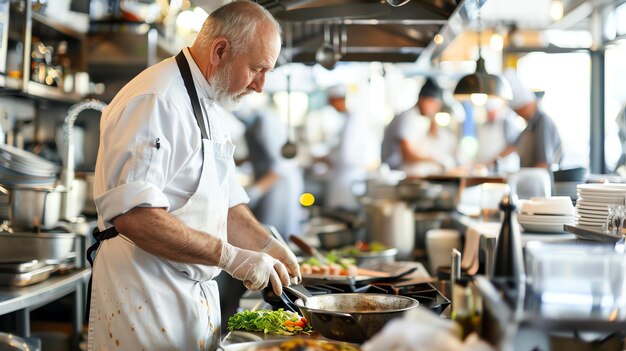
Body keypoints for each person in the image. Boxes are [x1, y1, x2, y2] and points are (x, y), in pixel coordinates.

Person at [88, 2, 300, 349]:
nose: (261, 85)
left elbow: (225, 203)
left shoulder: (211, 103)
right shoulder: (157, 99)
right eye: (257, 68)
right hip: (146, 300)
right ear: (220, 51)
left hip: (191, 298)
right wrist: (231, 258)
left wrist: (264, 245)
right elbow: (135, 217)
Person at [236, 96, 304, 238]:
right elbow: (259, 154)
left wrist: (256, 190)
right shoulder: (249, 126)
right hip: (267, 182)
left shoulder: (265, 121)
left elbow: (281, 164)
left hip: (280, 184)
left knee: (274, 230)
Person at [381, 77, 458, 176]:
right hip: (396, 174)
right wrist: (434, 159)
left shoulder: (420, 119)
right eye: (433, 104)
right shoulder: (407, 117)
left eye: (437, 106)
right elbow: (407, 155)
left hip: (407, 174)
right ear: (422, 99)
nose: (435, 109)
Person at [489, 69, 562, 169]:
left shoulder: (542, 122)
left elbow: (543, 163)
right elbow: (513, 146)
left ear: (527, 106)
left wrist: (524, 178)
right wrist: (490, 163)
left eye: (518, 111)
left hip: (538, 181)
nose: (518, 115)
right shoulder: (529, 126)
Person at [323, 84, 372, 210]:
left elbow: (346, 155)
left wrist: (327, 159)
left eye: (332, 102)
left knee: (343, 215)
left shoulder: (353, 121)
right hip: (344, 178)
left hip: (347, 180)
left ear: (339, 100)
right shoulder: (347, 119)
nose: (331, 106)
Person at [475, 99, 521, 173]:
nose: (491, 115)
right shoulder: (483, 126)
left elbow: (513, 146)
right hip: (486, 169)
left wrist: (495, 159)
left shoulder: (507, 124)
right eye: (489, 113)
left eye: (493, 112)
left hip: (505, 169)